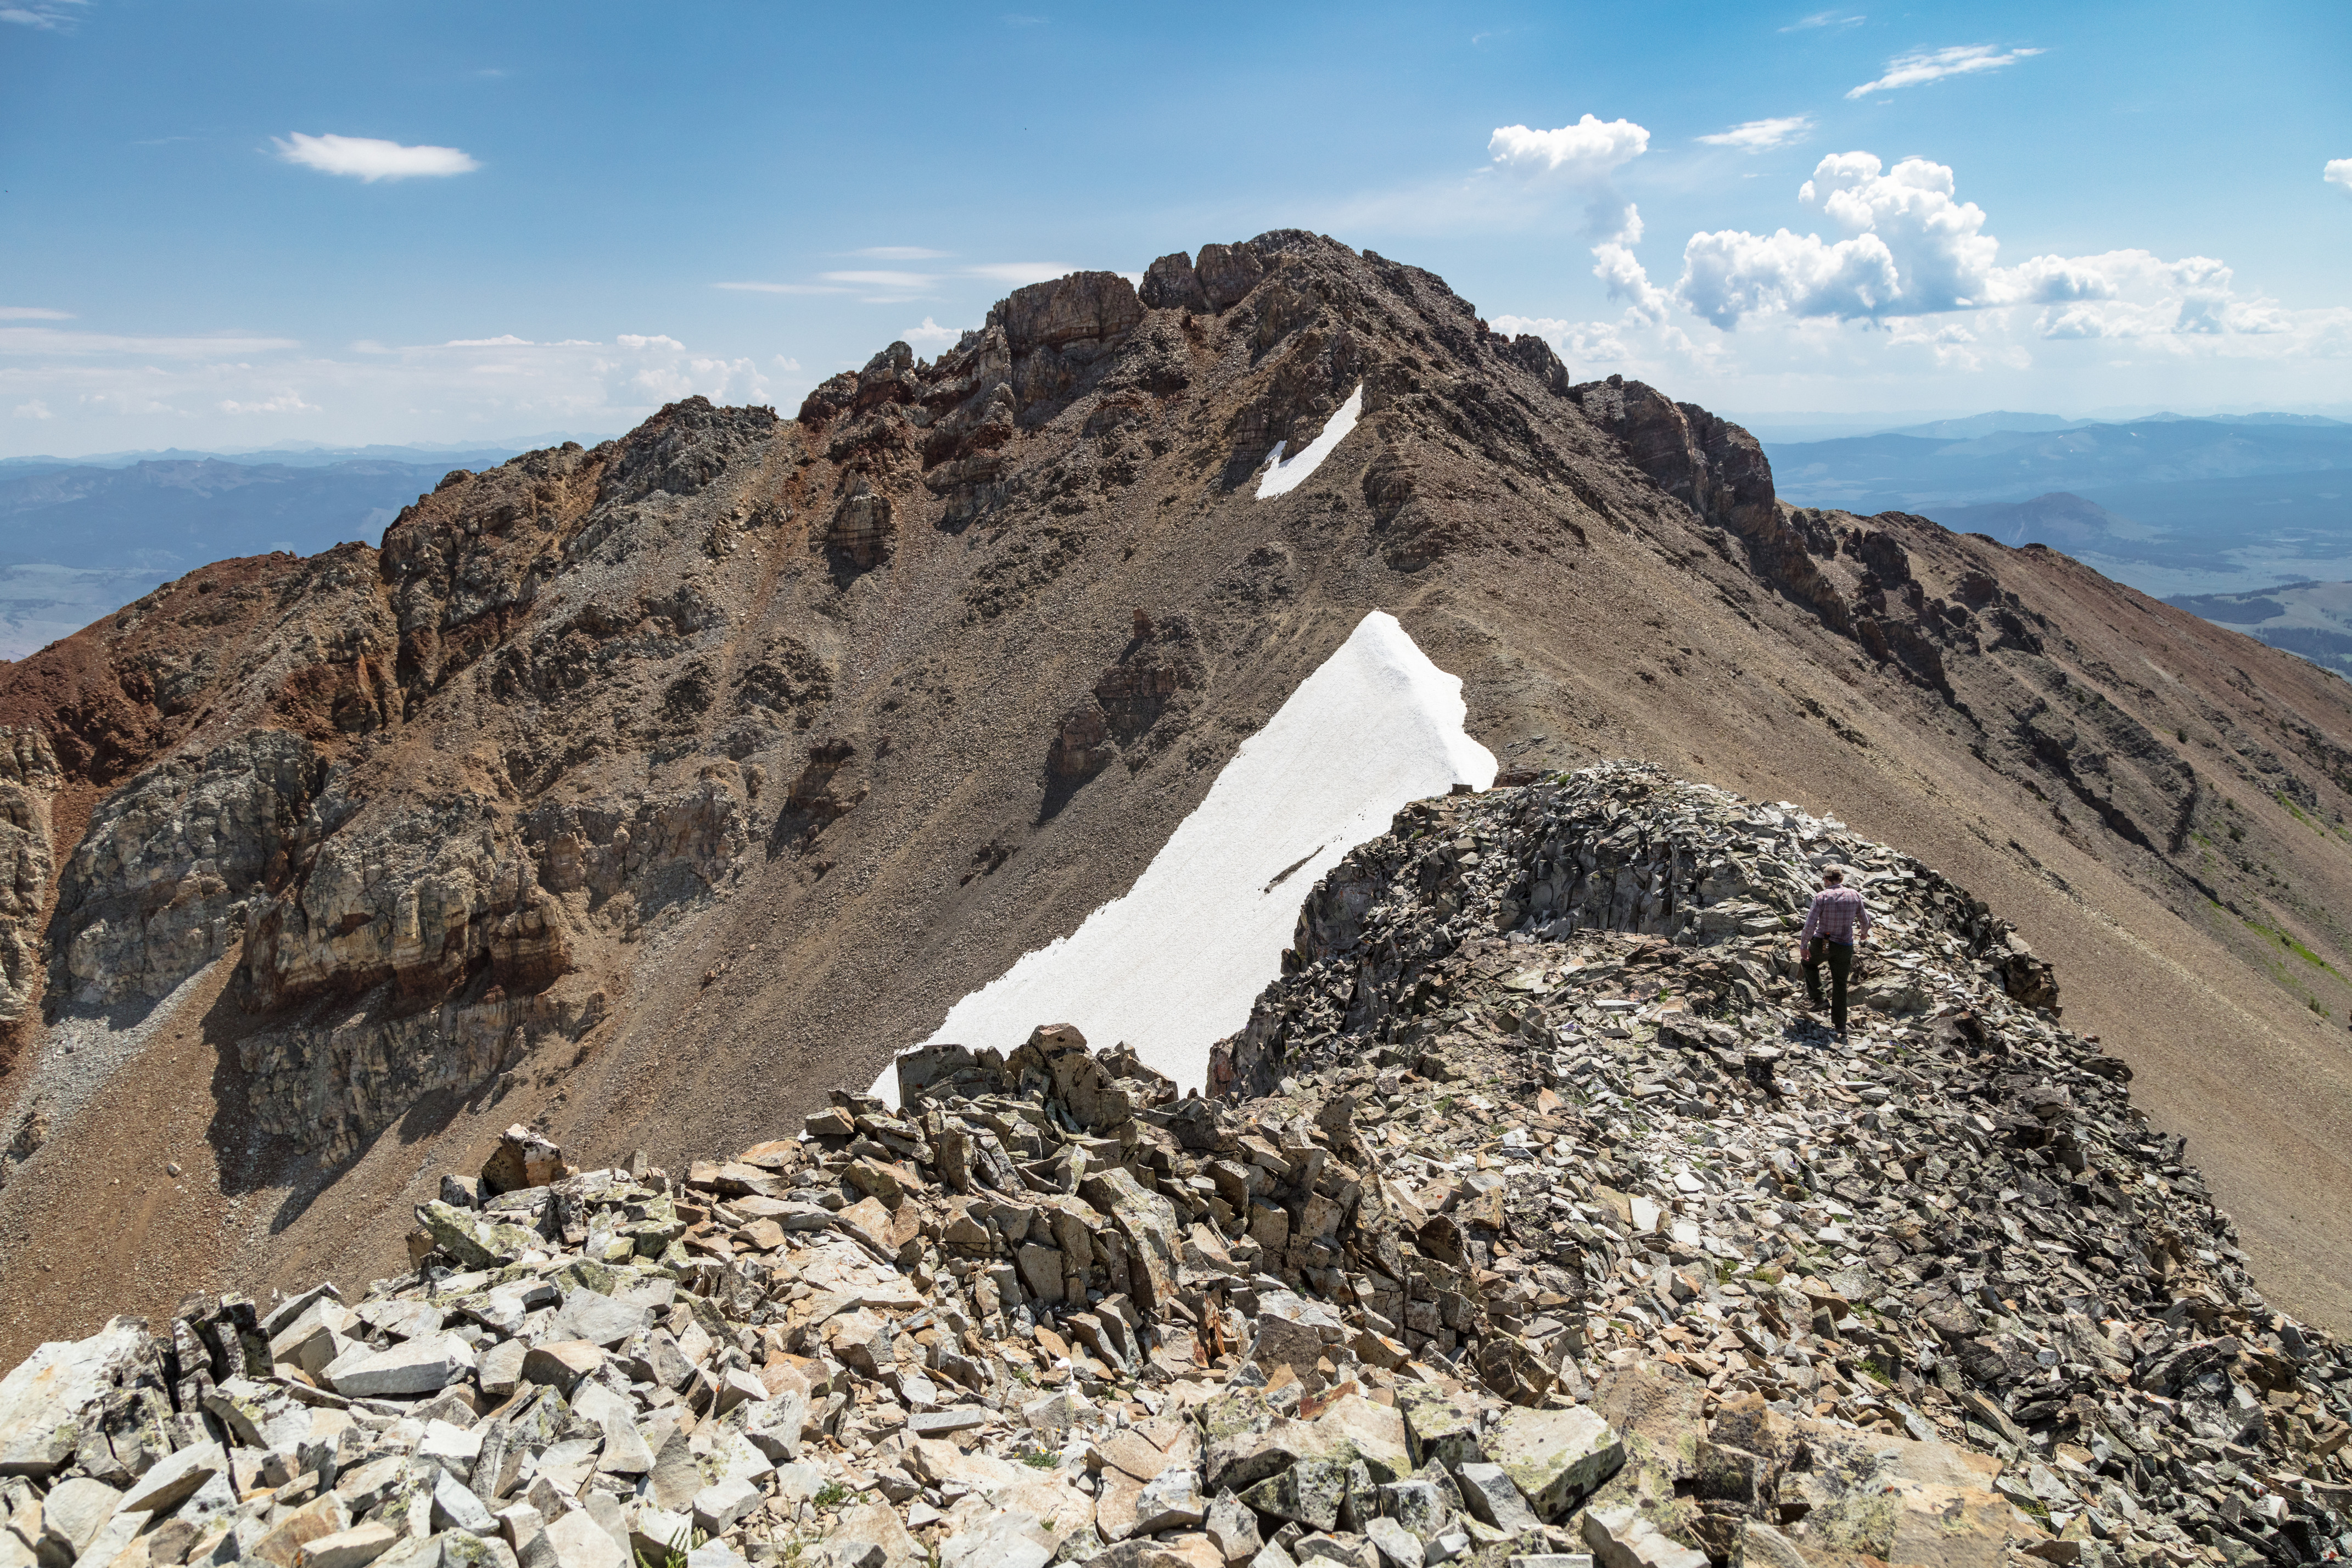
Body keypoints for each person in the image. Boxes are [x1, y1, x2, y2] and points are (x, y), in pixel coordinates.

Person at [1795, 866, 1872, 1036]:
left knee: (1808, 963)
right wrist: (1864, 932)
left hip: (1824, 942)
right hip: (1845, 946)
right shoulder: (1855, 895)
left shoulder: (1822, 897)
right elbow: (1865, 919)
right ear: (1842, 879)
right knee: (1841, 985)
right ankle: (1840, 1026)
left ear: (1826, 880)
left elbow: (1810, 925)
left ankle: (1819, 998)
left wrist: (1803, 946)